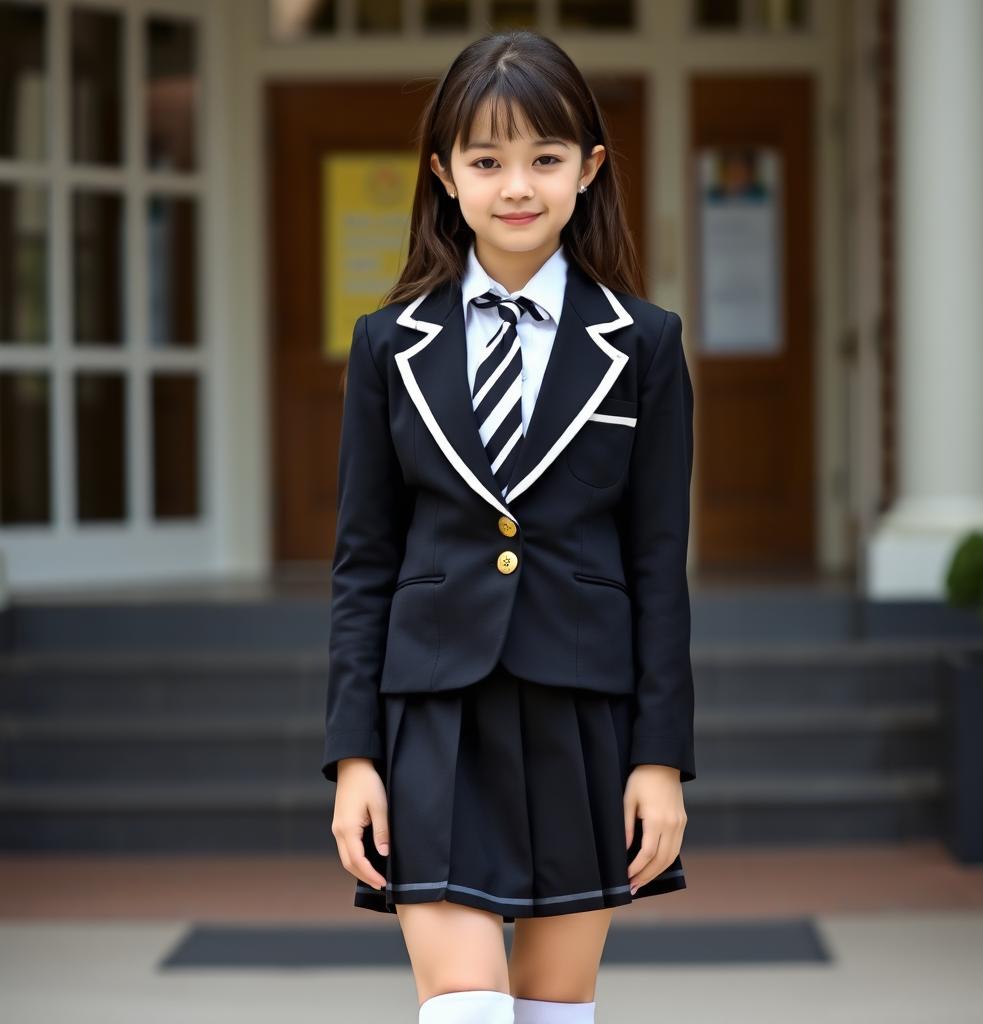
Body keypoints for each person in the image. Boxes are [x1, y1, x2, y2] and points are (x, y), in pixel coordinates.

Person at [323, 29, 696, 1024]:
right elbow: (363, 562)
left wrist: (659, 760)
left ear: (589, 168)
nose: (516, 186)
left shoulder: (644, 346)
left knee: (550, 1014)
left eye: (544, 158)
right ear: (443, 174)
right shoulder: (386, 346)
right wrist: (353, 756)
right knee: (467, 1008)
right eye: (486, 161)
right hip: (431, 712)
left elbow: (659, 566)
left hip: (584, 712)